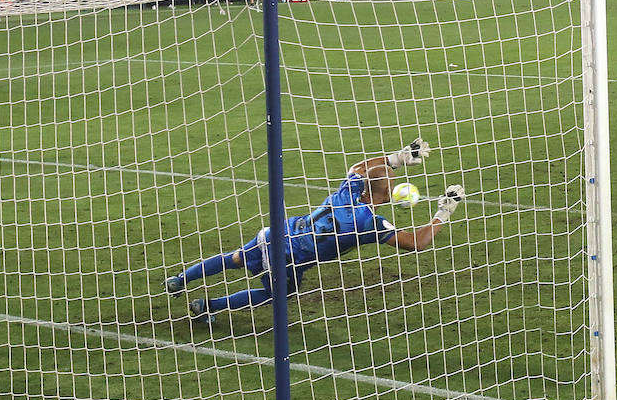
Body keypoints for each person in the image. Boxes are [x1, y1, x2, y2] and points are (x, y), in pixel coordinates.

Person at [164, 139, 464, 326]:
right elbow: (415, 242)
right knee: (278, 293)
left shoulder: (346, 194)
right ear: (386, 199)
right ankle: (208, 306)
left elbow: (359, 168)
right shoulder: (368, 224)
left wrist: (396, 159)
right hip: (292, 258)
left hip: (279, 233)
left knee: (237, 258)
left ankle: (181, 278)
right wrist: (444, 210)